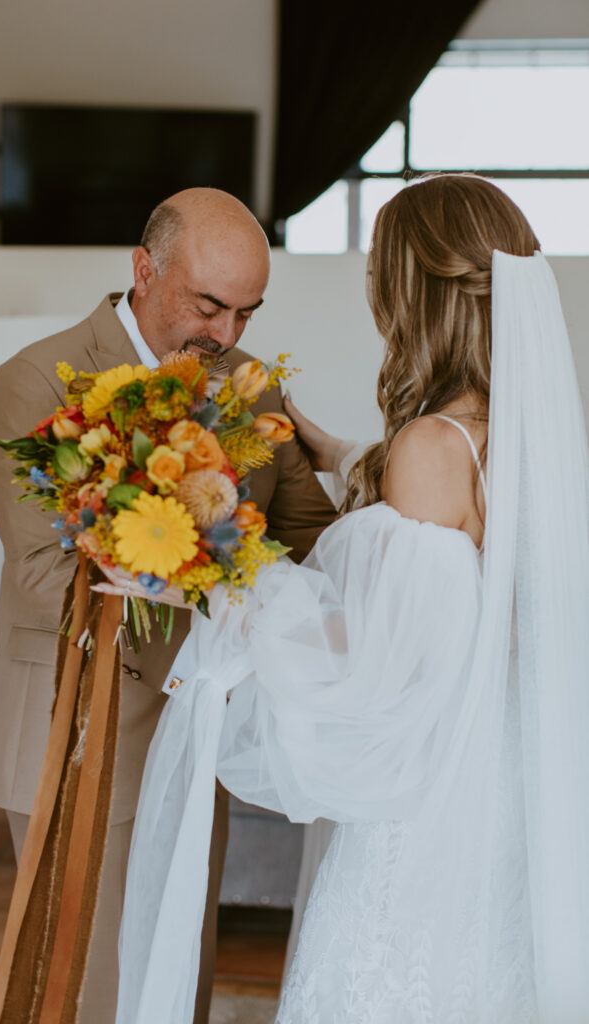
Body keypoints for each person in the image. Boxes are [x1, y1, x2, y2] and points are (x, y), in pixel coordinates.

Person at [113, 174, 589, 1024]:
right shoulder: (517, 429)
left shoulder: (430, 447)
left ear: (407, 289)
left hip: (430, 802)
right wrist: (336, 450)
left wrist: (216, 575)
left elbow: (375, 660)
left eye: (377, 267)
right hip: (500, 780)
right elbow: (459, 529)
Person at [0, 187, 336, 1024]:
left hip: (195, 735)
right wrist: (205, 575)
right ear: (143, 270)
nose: (227, 335)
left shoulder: (251, 390)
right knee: (85, 991)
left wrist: (410, 508)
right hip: (74, 731)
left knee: (178, 976)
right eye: (209, 305)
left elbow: (310, 540)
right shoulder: (36, 378)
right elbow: (41, 574)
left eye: (247, 313)